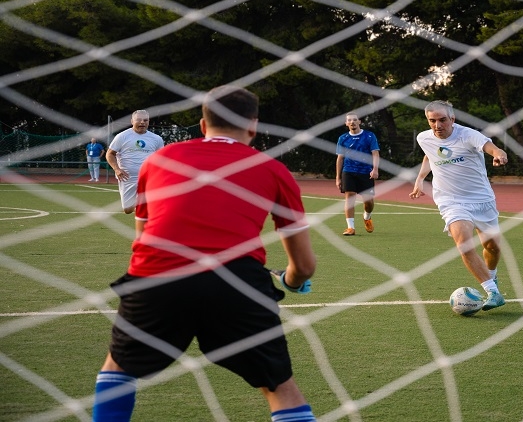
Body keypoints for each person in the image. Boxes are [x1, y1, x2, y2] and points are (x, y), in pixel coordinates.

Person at [92, 86, 318, 422]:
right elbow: (304, 266)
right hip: (236, 282)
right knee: (280, 388)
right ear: (253, 126)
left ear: (201, 124)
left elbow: (142, 237)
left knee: (118, 370)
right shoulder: (272, 169)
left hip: (158, 275)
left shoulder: (159, 160)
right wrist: (292, 280)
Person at [409, 100, 508, 311]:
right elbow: (430, 155)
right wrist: (420, 179)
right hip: (450, 200)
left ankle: (492, 277)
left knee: (492, 247)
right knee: (464, 243)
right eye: (432, 121)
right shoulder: (423, 137)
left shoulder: (468, 135)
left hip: (482, 200)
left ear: (452, 119)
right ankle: (492, 291)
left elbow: (489, 146)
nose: (437, 125)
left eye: (442, 120)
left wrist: (499, 154)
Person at [106, 110, 164, 213]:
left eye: (145, 120)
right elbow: (110, 154)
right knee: (128, 210)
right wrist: (117, 169)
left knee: (150, 207)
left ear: (148, 122)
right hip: (127, 177)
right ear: (132, 121)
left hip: (149, 177)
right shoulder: (122, 136)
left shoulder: (157, 139)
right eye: (139, 120)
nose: (142, 122)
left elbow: (161, 158)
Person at [335, 111, 380, 236]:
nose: (352, 122)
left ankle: (367, 217)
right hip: (348, 171)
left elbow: (375, 153)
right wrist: (338, 178)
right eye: (349, 120)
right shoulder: (343, 138)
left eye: (355, 120)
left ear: (359, 121)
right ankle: (350, 228)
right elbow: (340, 158)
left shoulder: (369, 136)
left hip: (366, 172)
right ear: (346, 123)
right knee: (349, 197)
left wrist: (375, 169)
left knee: (369, 202)